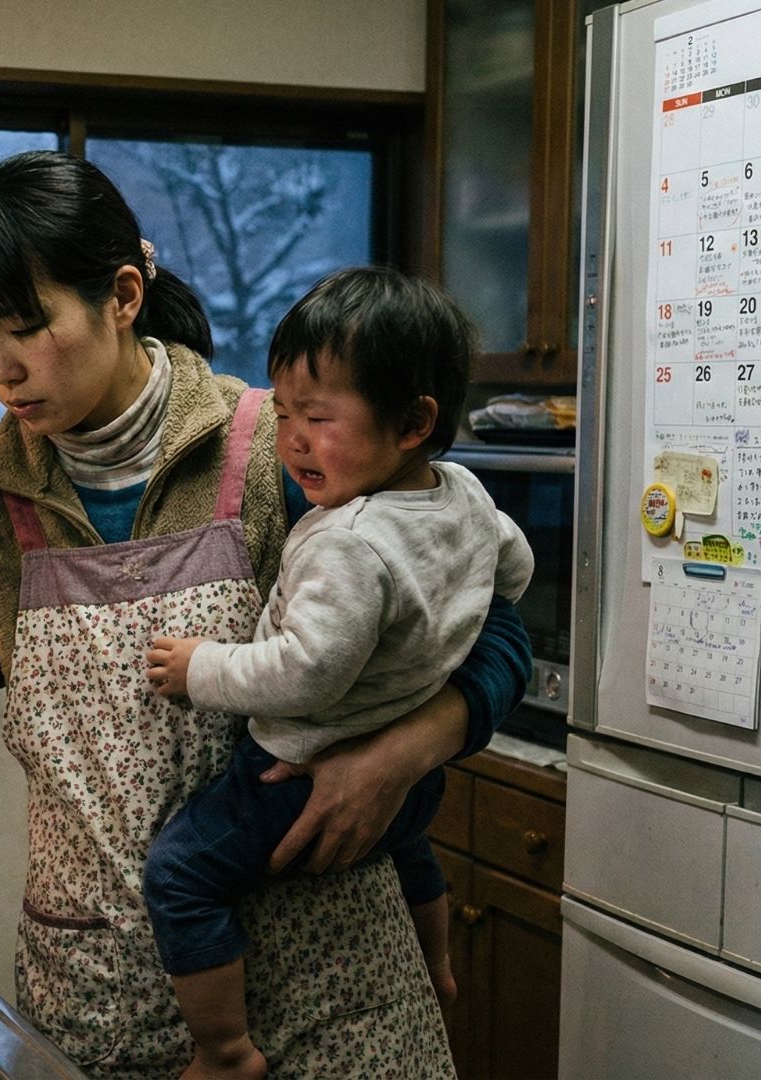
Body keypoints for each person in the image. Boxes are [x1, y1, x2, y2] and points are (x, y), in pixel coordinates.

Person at [0, 150, 532, 1079]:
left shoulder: (286, 449)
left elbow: (489, 624)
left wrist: (401, 756)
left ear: (125, 295)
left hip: (328, 988)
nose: (2, 370)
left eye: (27, 327)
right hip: (98, 996)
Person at [142, 267, 534, 1079]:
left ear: (414, 421)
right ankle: (438, 967)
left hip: (294, 771)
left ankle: (221, 1052)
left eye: (317, 418)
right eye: (284, 413)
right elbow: (514, 569)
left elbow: (307, 673)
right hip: (409, 789)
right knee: (411, 847)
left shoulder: (348, 537)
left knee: (181, 873)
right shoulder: (460, 490)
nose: (291, 439)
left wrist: (201, 667)